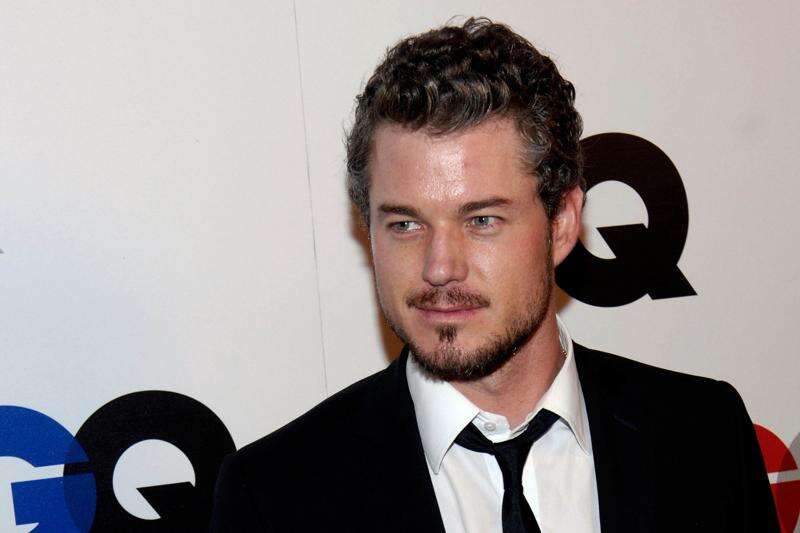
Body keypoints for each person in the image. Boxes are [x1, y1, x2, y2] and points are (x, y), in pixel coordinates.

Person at [210, 18, 778, 532]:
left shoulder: (705, 435)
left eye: (481, 220)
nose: (439, 268)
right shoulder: (271, 497)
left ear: (561, 224)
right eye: (405, 224)